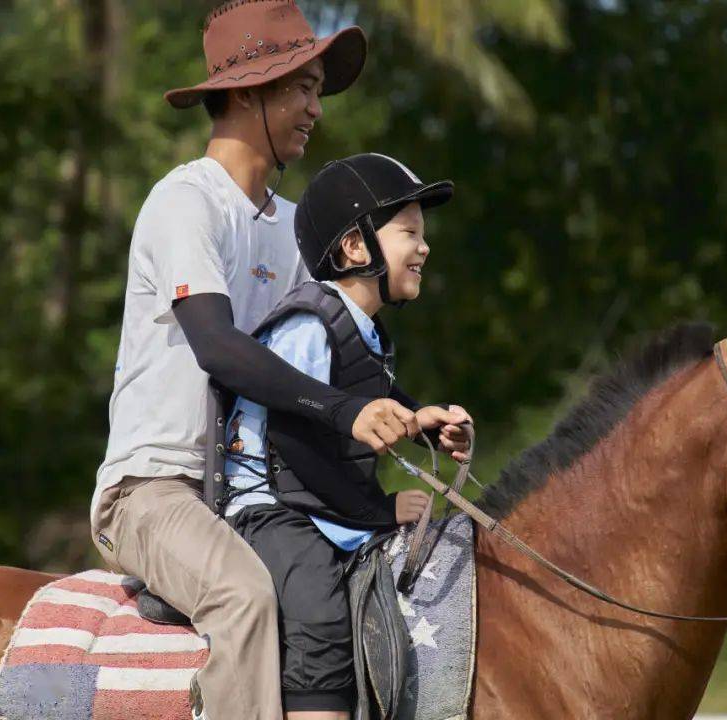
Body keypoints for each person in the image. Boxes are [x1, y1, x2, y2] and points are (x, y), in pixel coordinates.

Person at [89, 3, 420, 719]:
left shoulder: (291, 234)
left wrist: (407, 438)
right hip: (153, 491)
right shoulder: (184, 202)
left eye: (316, 90)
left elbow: (324, 366)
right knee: (245, 595)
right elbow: (218, 346)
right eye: (300, 88)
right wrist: (345, 410)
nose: (315, 109)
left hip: (254, 500)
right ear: (246, 93)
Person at [222, 153, 473, 718]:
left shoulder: (364, 330)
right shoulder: (310, 325)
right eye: (409, 231)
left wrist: (422, 422)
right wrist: (379, 512)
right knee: (319, 612)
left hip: (311, 502)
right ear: (355, 248)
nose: (424, 247)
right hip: (270, 510)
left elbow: (370, 398)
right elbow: (298, 447)